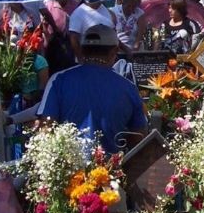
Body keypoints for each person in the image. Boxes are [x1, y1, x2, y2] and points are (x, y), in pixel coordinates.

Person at [38, 24, 148, 154]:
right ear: (114, 51)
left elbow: (46, 128)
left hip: (69, 170)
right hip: (113, 170)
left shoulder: (58, 80)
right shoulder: (129, 88)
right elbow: (139, 137)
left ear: (82, 50)